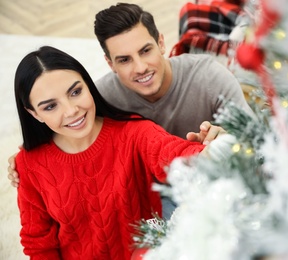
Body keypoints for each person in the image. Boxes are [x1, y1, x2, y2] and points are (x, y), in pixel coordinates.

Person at [7, 3, 253, 217]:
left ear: (161, 43)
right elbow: (62, 122)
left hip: (212, 180)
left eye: (145, 51)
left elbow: (258, 142)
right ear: (110, 63)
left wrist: (226, 140)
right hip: (150, 196)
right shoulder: (99, 98)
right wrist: (23, 160)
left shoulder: (210, 76)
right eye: (124, 60)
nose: (140, 67)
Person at [14, 46, 218, 259]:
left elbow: (173, 153)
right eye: (50, 107)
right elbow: (38, 243)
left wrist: (215, 148)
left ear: (88, 86)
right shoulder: (29, 165)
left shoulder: (135, 133)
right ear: (34, 114)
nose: (71, 110)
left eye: (75, 92)